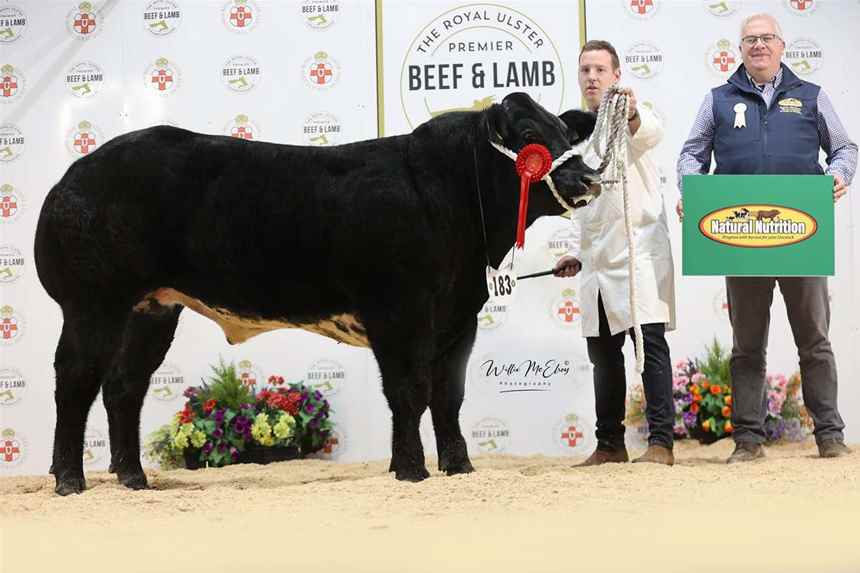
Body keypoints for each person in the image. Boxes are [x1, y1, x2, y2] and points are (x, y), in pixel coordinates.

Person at [677, 13, 857, 463]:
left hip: (802, 235)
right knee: (747, 345)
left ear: (781, 45)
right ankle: (748, 441)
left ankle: (830, 437)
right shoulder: (717, 99)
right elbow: (691, 153)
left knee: (814, 340)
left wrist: (837, 176)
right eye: (750, 40)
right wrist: (692, 193)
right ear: (740, 49)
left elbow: (845, 148)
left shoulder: (811, 96)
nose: (758, 45)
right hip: (740, 237)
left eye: (766, 38)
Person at [555, 40, 677, 466]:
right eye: (585, 69)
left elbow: (652, 131)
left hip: (638, 254)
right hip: (596, 264)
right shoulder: (575, 133)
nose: (592, 77)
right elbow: (578, 205)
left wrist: (631, 111)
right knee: (603, 357)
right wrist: (573, 252)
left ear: (617, 75)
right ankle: (609, 445)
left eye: (600, 70)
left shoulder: (629, 116)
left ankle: (661, 444)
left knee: (651, 350)